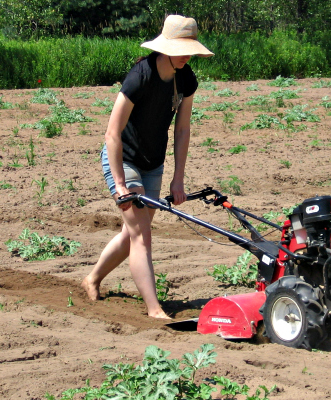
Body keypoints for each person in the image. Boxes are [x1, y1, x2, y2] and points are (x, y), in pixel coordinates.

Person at [81, 15, 213, 319]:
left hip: (153, 164)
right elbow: (112, 133)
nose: (188, 55)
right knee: (142, 236)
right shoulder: (140, 76)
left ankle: (92, 278)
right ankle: (155, 310)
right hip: (123, 159)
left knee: (134, 232)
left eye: (191, 49)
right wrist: (120, 184)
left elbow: (182, 130)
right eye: (183, 49)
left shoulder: (187, 79)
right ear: (166, 47)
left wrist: (177, 179)